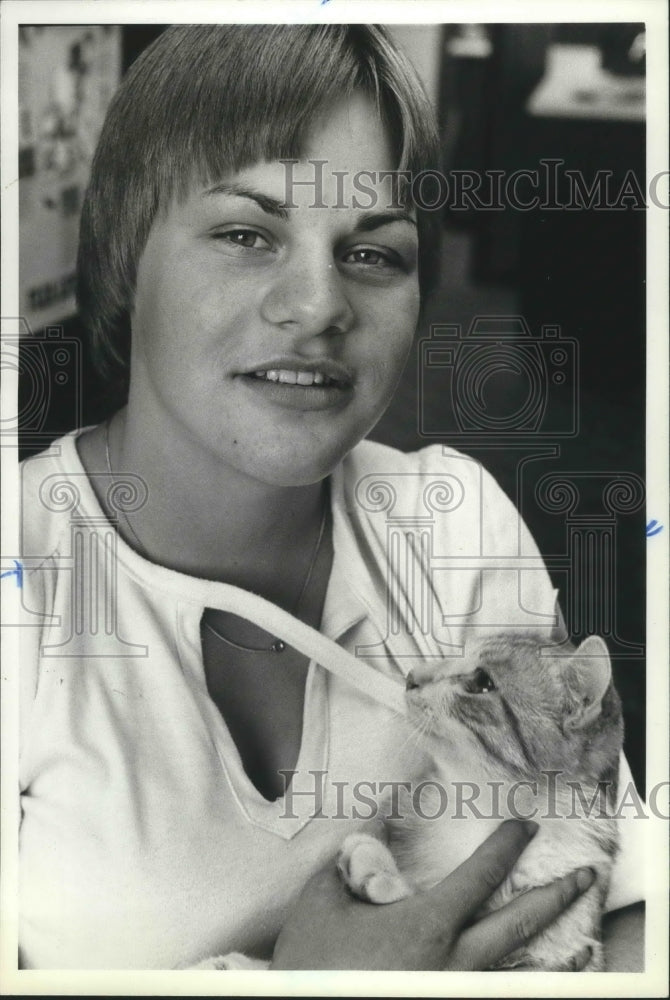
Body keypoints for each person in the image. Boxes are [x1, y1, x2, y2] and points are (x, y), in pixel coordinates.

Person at [18, 24, 643, 970]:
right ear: (121, 254)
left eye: (375, 253)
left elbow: (630, 902)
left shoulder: (458, 524)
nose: (318, 305)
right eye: (244, 233)